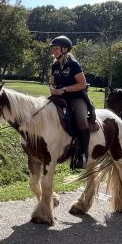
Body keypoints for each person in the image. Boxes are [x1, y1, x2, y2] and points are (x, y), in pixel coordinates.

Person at [48, 35, 90, 169]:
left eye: (56, 49)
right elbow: (52, 82)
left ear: (65, 50)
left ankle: (83, 155)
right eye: (53, 49)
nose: (53, 52)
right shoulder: (54, 65)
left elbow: (82, 84)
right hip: (60, 98)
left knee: (81, 121)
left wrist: (65, 89)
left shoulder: (73, 64)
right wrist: (53, 89)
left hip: (76, 97)